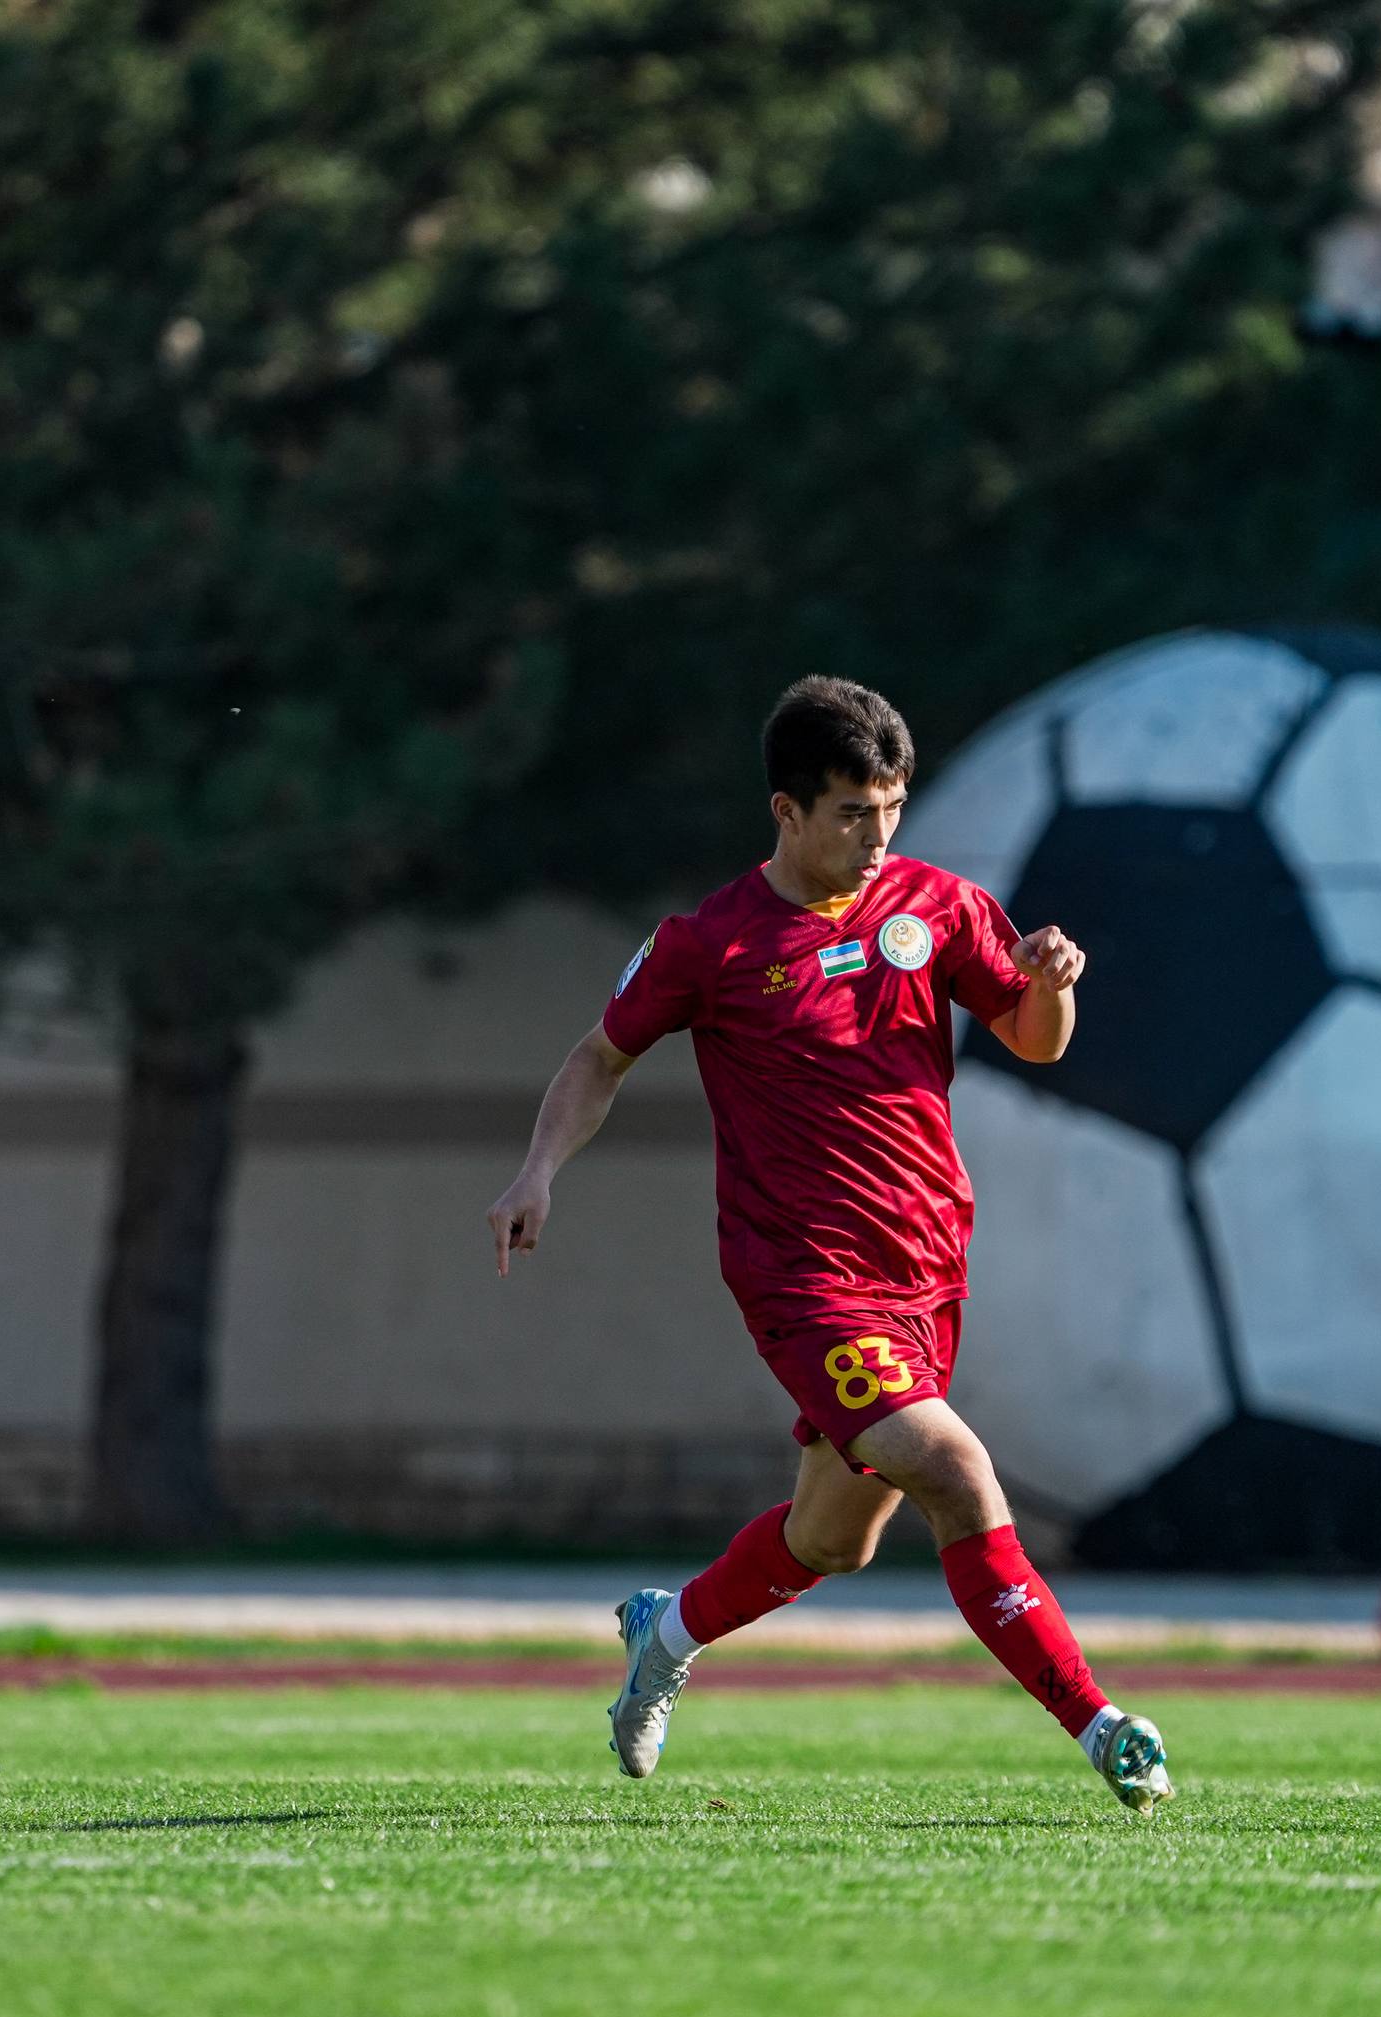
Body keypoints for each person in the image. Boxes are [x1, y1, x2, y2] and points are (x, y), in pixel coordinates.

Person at [486, 675, 1172, 1811]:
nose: (876, 835)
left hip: (926, 1268)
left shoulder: (939, 907)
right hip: (801, 1278)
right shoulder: (708, 942)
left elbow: (1033, 1041)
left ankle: (666, 1633)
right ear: (786, 811)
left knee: (832, 1540)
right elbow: (597, 1059)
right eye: (853, 812)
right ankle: (1100, 1725)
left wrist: (1050, 987)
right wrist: (536, 1169)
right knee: (958, 1470)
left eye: (891, 809)